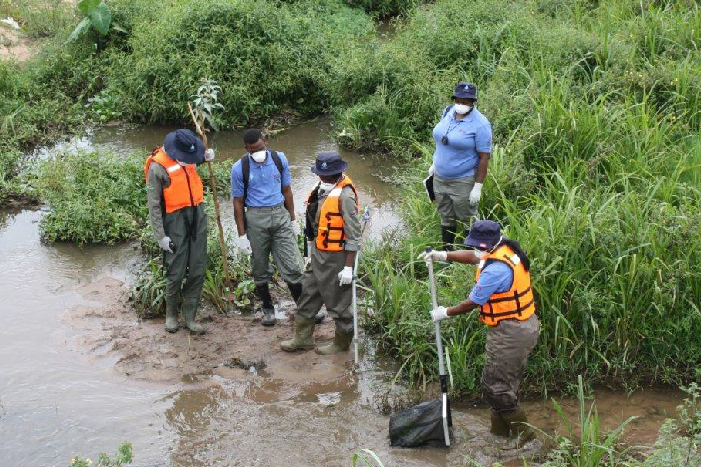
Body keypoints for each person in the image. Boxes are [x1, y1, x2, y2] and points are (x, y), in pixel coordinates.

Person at [419, 220, 539, 445]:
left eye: (479, 246)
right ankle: (500, 436)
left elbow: (471, 303)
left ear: (489, 245)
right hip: (520, 326)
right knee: (502, 387)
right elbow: (475, 256)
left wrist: (444, 312)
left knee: (495, 388)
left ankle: (528, 440)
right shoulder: (502, 248)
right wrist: (443, 255)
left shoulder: (495, 270)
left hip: (510, 332)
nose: (476, 250)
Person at [281, 152, 361, 355]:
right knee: (308, 294)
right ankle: (303, 338)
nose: (324, 178)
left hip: (336, 258)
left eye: (329, 175)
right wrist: (309, 254)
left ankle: (341, 344)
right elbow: (314, 226)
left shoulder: (346, 196)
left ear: (339, 172)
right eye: (322, 174)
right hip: (318, 253)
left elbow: (353, 236)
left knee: (338, 303)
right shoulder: (319, 190)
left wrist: (348, 268)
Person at [231, 129, 308, 326]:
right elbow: (238, 203)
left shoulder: (279, 159)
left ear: (265, 142)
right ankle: (267, 309)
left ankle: (303, 308)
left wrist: (292, 219)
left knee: (292, 263)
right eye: (253, 150)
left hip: (279, 214)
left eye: (260, 147)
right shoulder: (240, 168)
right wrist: (242, 235)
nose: (258, 152)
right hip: (256, 218)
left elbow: (287, 190)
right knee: (259, 266)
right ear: (247, 149)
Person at [145, 129, 214, 334]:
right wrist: (161, 236)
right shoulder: (157, 168)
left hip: (197, 215)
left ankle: (190, 316)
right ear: (175, 151)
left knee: (198, 267)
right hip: (174, 221)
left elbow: (190, 165)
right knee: (175, 270)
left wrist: (205, 158)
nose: (189, 159)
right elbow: (154, 206)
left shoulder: (190, 156)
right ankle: (171, 315)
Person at [429, 81, 492, 250]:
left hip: (463, 180)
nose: (461, 104)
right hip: (440, 178)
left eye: (466, 101)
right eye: (459, 100)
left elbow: (484, 157)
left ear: (472, 102)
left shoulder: (481, 124)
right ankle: (447, 253)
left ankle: (471, 255)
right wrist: (435, 163)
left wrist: (477, 186)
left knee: (467, 219)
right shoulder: (448, 112)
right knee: (446, 216)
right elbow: (441, 142)